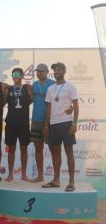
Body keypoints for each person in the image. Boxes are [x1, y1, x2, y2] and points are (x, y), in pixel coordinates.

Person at [42, 62, 79, 192]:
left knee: (69, 152)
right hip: (53, 124)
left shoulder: (70, 86)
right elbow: (48, 107)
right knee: (55, 153)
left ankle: (71, 181)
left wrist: (74, 123)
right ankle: (56, 180)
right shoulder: (50, 88)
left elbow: (76, 105)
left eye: (59, 69)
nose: (56, 72)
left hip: (66, 123)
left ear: (64, 71)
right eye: (55, 70)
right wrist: (46, 125)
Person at [4, 68, 33, 182]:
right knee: (11, 148)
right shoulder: (8, 89)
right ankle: (10, 174)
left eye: (17, 74)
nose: (15, 76)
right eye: (13, 74)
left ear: (21, 76)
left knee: (24, 148)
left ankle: (24, 174)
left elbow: (31, 100)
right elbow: (3, 103)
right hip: (11, 123)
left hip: (23, 123)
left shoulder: (27, 88)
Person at [31, 64, 55, 182]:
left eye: (41, 71)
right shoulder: (34, 85)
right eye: (38, 71)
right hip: (35, 120)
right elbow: (29, 100)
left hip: (49, 121)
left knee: (53, 148)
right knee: (38, 147)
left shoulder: (53, 84)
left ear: (47, 72)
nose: (39, 73)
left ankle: (56, 178)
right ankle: (40, 176)